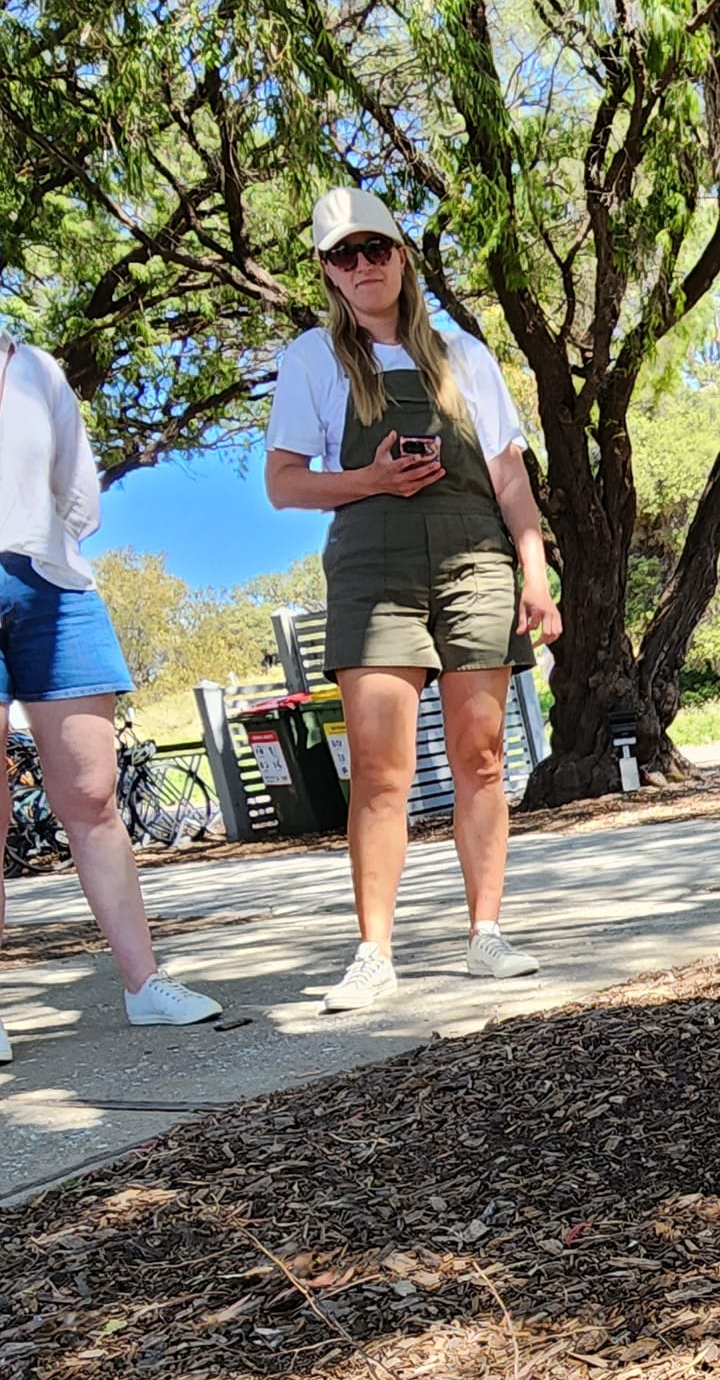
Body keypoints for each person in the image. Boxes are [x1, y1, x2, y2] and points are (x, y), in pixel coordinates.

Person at [265, 187, 560, 1012]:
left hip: (475, 559)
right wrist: (372, 478)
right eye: (343, 256)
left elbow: (509, 476)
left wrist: (534, 572)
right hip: (373, 562)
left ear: (402, 255)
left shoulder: (465, 353)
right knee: (382, 768)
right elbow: (284, 484)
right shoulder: (312, 362)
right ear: (326, 271)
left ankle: (487, 933)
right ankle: (372, 951)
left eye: (376, 249)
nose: (363, 267)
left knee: (483, 756)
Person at [0, 332, 222, 1064]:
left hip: (50, 583)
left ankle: (144, 981)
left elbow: (76, 486)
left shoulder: (33, 367)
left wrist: (51, 542)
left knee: (94, 792)